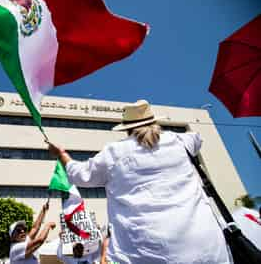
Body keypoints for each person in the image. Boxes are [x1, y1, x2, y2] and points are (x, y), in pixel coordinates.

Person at [47, 99, 232, 264]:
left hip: (146, 253)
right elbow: (197, 138)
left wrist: (62, 154)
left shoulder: (114, 153)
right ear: (154, 121)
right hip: (207, 247)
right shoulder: (180, 141)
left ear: (127, 128)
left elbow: (79, 175)